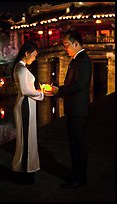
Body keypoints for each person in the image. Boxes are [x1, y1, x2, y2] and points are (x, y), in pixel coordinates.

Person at [51, 29, 93, 189]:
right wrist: (58, 89)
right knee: (74, 145)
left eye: (66, 45)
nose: (65, 48)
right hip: (73, 110)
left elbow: (80, 85)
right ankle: (75, 174)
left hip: (79, 111)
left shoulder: (83, 60)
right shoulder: (76, 59)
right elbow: (72, 84)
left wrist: (59, 91)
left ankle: (80, 178)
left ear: (76, 43)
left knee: (79, 145)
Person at [11, 41, 44, 185]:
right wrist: (41, 94)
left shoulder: (19, 67)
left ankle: (23, 169)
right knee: (27, 139)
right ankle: (24, 172)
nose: (35, 58)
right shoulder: (22, 69)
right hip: (25, 105)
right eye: (34, 55)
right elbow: (26, 91)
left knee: (26, 138)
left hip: (24, 104)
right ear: (26, 53)